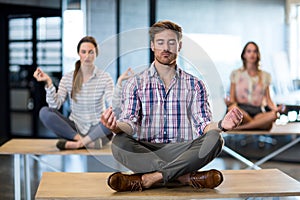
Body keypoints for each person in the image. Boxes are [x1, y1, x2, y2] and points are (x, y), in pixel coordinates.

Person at [100, 20, 243, 192]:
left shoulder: (195, 84)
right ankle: (183, 177)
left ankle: (149, 178)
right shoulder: (135, 83)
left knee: (215, 138)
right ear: (152, 45)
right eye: (160, 42)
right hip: (147, 150)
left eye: (171, 42)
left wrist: (221, 125)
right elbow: (129, 123)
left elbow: (203, 124)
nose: (165, 47)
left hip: (182, 151)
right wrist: (115, 127)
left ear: (179, 46)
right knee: (119, 142)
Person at [33, 36, 114, 150]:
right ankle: (85, 142)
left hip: (97, 130)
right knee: (44, 112)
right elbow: (55, 105)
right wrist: (48, 83)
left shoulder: (105, 78)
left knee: (117, 112)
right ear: (78, 53)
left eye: (91, 52)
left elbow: (112, 103)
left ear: (96, 54)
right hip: (74, 129)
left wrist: (115, 106)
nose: (87, 56)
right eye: (83, 52)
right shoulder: (67, 78)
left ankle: (79, 144)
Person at [225, 41, 283, 130]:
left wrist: (277, 109)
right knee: (232, 109)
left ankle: (241, 128)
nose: (252, 54)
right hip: (242, 111)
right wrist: (229, 103)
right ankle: (257, 125)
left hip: (258, 112)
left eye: (255, 51)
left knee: (274, 115)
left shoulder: (265, 76)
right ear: (244, 55)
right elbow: (232, 99)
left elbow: (269, 100)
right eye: (249, 51)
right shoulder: (235, 74)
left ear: (258, 54)